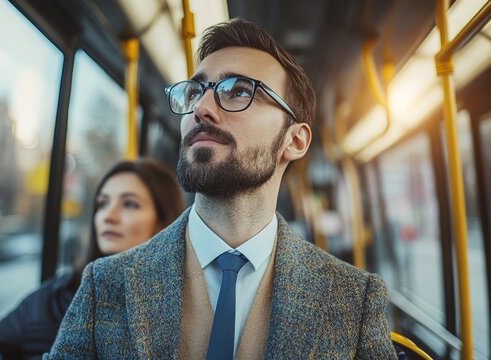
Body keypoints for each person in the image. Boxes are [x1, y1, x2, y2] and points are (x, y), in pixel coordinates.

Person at [46, 18, 397, 359]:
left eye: (238, 91)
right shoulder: (106, 284)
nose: (201, 108)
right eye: (195, 92)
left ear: (295, 140)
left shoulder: (353, 299)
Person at [0, 158, 184, 360]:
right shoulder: (54, 297)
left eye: (129, 204)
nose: (108, 216)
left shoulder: (183, 302)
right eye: (102, 204)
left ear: (163, 222)